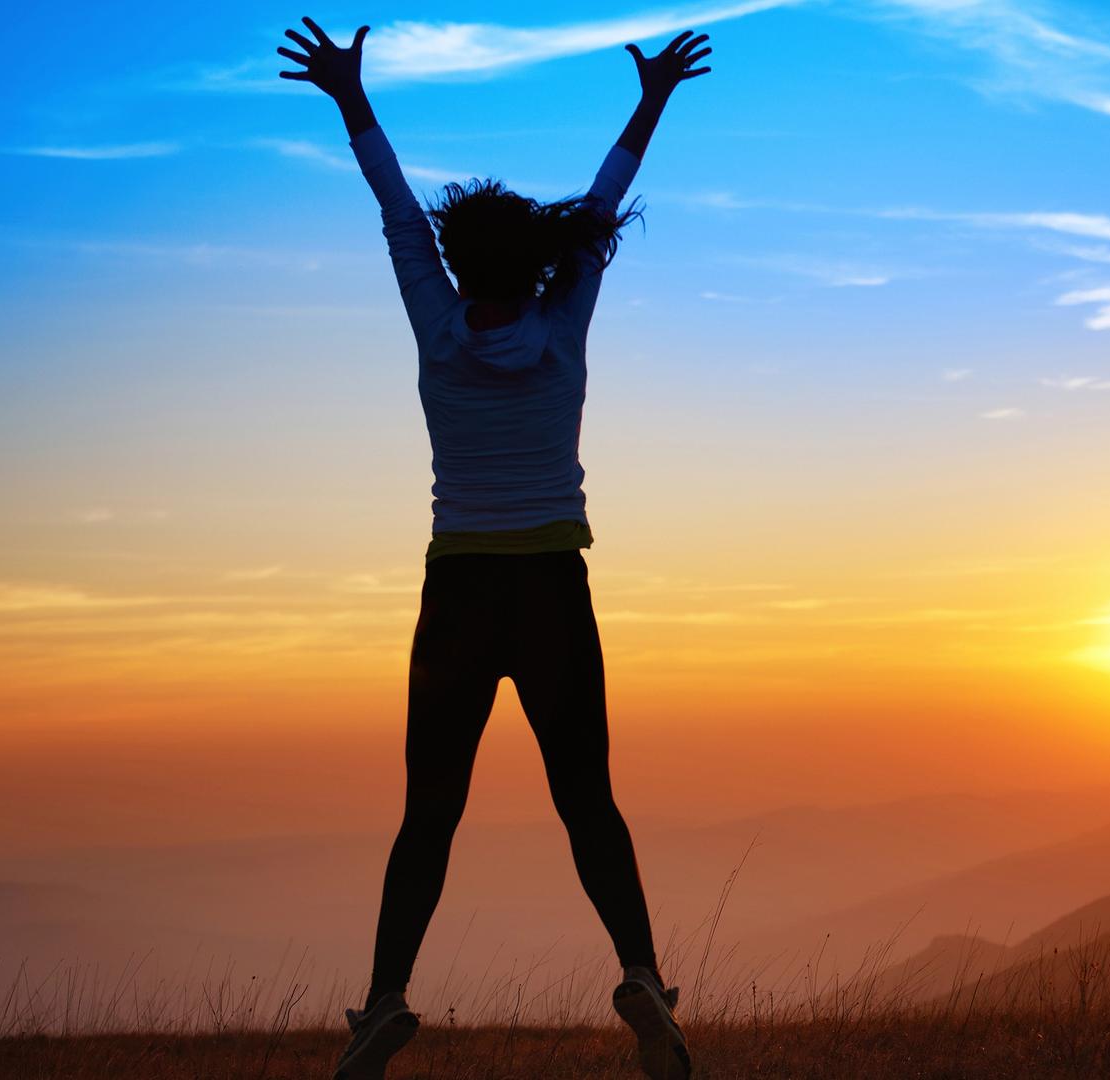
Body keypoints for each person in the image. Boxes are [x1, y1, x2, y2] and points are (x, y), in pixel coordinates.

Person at [276, 16, 711, 1080]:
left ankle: (382, 1003)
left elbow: (394, 211)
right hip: (553, 588)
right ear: (541, 262)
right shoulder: (562, 328)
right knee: (587, 800)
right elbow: (602, 213)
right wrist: (652, 100)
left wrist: (350, 97)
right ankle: (644, 978)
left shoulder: (436, 327)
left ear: (460, 263)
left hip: (461, 592)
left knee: (430, 812)